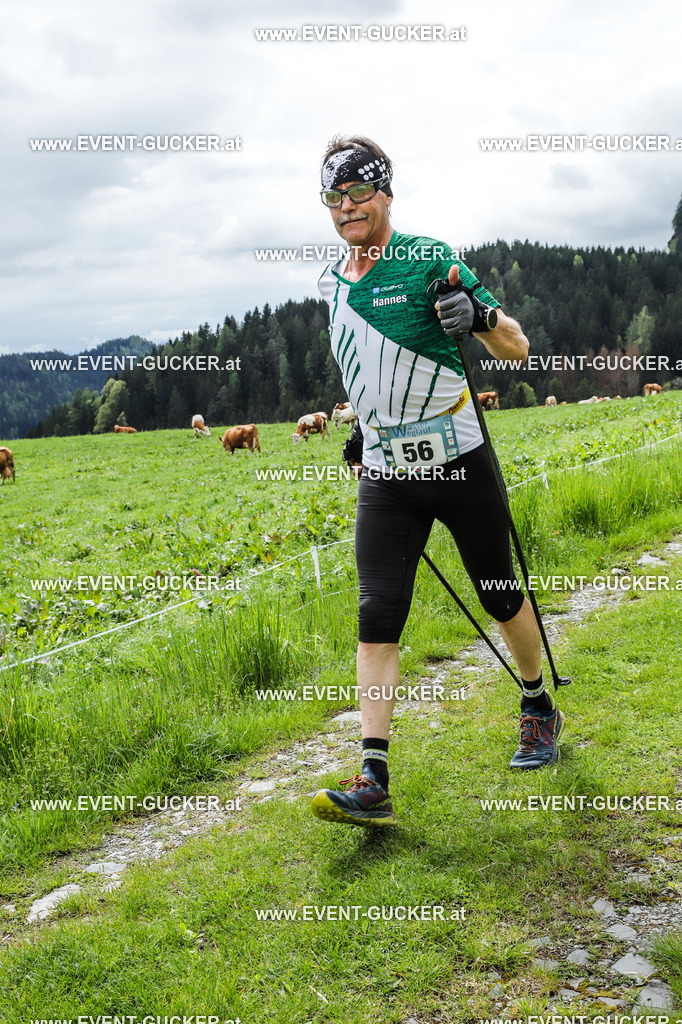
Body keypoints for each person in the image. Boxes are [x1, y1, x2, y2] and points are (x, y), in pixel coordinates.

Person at [311, 135, 564, 828]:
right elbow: (361, 369)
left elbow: (517, 345)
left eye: (359, 192)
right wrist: (365, 426)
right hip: (390, 475)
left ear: (386, 193)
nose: (347, 208)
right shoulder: (332, 285)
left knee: (498, 591)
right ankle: (373, 776)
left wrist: (477, 318)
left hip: (459, 457)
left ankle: (539, 704)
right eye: (334, 197)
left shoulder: (428, 258)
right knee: (376, 613)